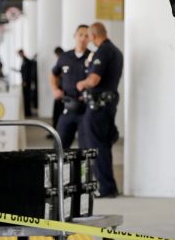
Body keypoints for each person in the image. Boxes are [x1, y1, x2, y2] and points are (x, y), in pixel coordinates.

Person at [76, 22, 123, 198]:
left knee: (98, 146)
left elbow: (94, 80)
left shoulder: (103, 51)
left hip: (99, 106)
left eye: (88, 37)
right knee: (103, 144)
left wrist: (82, 83)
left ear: (94, 36)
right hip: (107, 104)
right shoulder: (115, 51)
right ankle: (108, 186)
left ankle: (105, 188)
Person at [50, 26, 90, 148]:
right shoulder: (65, 57)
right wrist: (55, 89)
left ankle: (82, 168)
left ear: (90, 38)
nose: (83, 38)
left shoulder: (92, 57)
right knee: (59, 145)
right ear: (75, 36)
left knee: (86, 149)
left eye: (86, 35)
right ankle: (59, 168)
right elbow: (53, 74)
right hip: (68, 108)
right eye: (80, 34)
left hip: (86, 110)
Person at [51, 46, 65, 130]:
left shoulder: (63, 61)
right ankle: (56, 129)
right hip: (59, 89)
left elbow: (55, 74)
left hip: (62, 89)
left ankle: (58, 130)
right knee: (57, 112)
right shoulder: (62, 60)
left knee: (58, 113)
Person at [17, 49, 35, 117]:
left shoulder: (26, 61)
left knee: (27, 97)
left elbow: (27, 72)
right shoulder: (24, 61)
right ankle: (27, 111)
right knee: (26, 97)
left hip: (27, 82)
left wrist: (24, 80)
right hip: (25, 81)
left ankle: (28, 112)